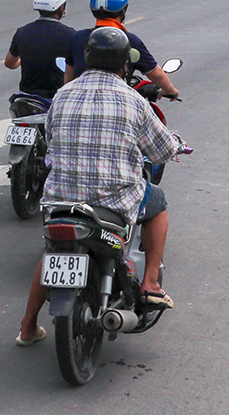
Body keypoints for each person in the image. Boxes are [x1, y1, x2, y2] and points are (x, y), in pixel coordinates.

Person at [16, 26, 181, 346]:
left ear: (88, 59)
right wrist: (176, 146)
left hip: (60, 202)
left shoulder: (62, 95)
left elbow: (50, 140)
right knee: (157, 202)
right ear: (124, 65)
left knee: (52, 251)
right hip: (114, 202)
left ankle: (26, 326)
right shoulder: (133, 101)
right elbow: (160, 151)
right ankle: (150, 283)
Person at [64, 0, 182, 100]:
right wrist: (170, 90)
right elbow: (156, 74)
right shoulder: (130, 40)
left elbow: (69, 76)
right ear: (124, 9)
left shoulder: (77, 38)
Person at [5, 0, 72, 101]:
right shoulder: (70, 35)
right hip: (55, 99)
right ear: (61, 8)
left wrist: (24, 59)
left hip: (26, 99)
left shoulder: (22, 32)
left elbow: (9, 63)